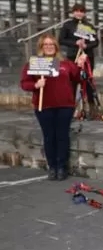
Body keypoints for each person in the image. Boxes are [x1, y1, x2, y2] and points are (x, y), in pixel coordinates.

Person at [20, 34, 86, 181]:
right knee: (49, 137)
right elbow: (24, 83)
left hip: (65, 105)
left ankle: (62, 167)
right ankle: (52, 167)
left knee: (62, 136)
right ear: (41, 47)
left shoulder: (66, 64)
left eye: (51, 44)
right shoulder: (33, 64)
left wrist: (80, 66)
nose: (49, 47)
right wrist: (36, 85)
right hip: (44, 106)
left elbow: (78, 78)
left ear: (56, 47)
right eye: (46, 44)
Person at [58, 3, 99, 118]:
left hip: (87, 57)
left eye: (81, 11)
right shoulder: (68, 25)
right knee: (72, 82)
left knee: (88, 82)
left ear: (84, 13)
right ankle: (70, 109)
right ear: (73, 12)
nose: (79, 13)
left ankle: (92, 109)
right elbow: (61, 40)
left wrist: (86, 46)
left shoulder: (89, 26)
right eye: (77, 11)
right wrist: (75, 43)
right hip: (73, 57)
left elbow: (96, 42)